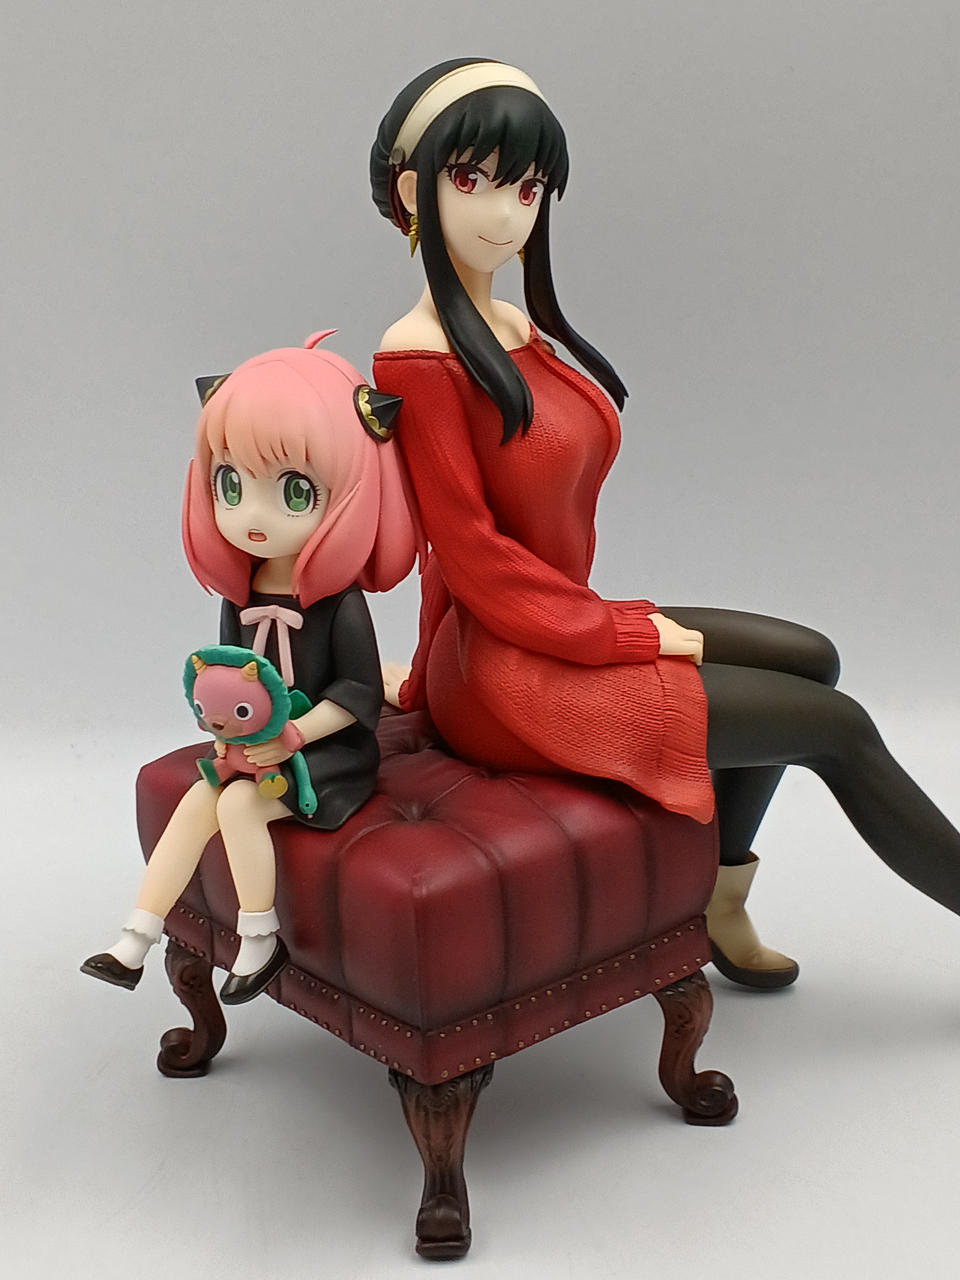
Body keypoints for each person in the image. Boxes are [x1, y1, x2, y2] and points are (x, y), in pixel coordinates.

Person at [369, 58, 960, 989]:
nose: (505, 215)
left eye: (527, 189)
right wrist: (626, 635)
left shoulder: (512, 326)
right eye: (471, 180)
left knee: (811, 659)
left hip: (551, 626)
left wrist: (603, 626)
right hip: (499, 673)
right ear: (413, 192)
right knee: (838, 728)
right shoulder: (417, 358)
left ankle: (720, 899)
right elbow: (472, 557)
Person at [82, 334, 420, 1003]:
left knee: (239, 805)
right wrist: (226, 731)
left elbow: (358, 693)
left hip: (327, 753)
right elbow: (229, 671)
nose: (251, 516)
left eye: (294, 491)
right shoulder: (241, 593)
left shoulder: (340, 602)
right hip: (256, 744)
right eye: (231, 485)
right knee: (197, 801)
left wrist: (291, 735)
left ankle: (260, 939)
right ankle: (136, 936)